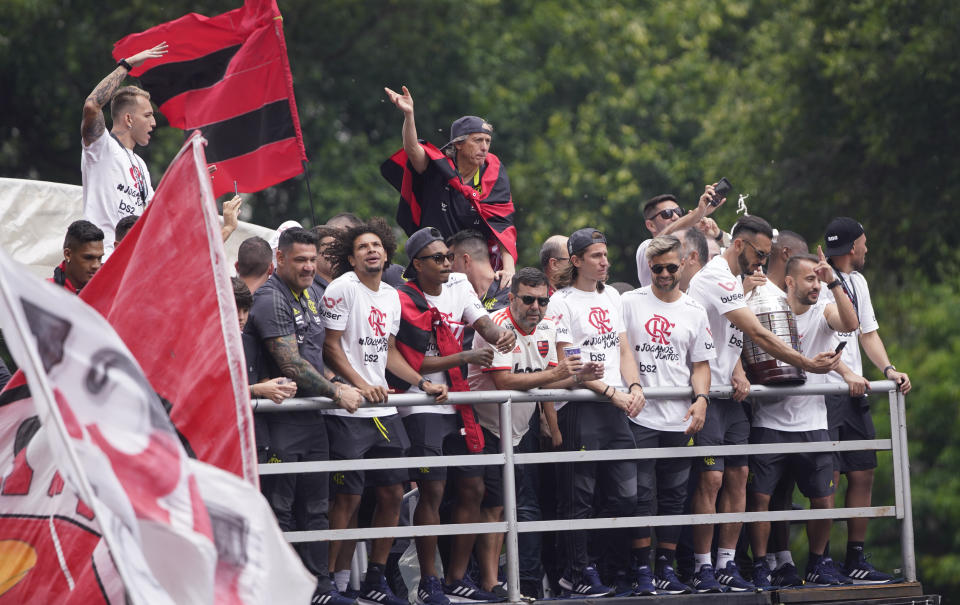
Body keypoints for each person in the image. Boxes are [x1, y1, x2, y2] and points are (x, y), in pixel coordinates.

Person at [685, 215, 841, 593]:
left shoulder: (738, 282)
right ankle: (701, 567)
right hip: (706, 394)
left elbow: (727, 334)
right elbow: (754, 329)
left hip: (732, 394)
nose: (762, 262)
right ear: (738, 244)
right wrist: (803, 362)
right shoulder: (716, 276)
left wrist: (738, 368)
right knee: (712, 479)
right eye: (759, 253)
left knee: (738, 477)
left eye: (767, 254)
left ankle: (726, 563)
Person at [321, 218, 449, 605]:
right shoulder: (342, 288)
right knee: (348, 498)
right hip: (348, 411)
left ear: (387, 251)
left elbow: (389, 353)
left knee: (393, 492)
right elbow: (330, 347)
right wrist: (358, 385)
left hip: (382, 409)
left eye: (376, 245)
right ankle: (327, 583)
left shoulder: (392, 296)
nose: (371, 250)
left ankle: (375, 577)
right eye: (362, 247)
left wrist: (421, 383)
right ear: (351, 257)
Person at [390, 226, 516, 605]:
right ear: (417, 264)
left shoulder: (460, 285)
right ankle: (430, 580)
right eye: (438, 258)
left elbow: (483, 324)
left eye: (448, 256)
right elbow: (408, 361)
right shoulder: (402, 299)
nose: (447, 263)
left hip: (458, 402)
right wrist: (463, 357)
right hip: (421, 403)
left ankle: (459, 578)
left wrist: (501, 335)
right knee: (433, 490)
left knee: (474, 488)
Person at [244, 227, 363, 605]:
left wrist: (335, 380)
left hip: (312, 421)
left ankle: (320, 588)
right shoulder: (268, 298)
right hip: (278, 423)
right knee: (280, 510)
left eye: (313, 259)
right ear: (279, 259)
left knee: (317, 508)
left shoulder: (314, 294)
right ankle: (281, 593)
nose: (309, 267)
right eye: (300, 260)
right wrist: (337, 390)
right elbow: (291, 364)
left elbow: (315, 356)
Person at [466, 267, 601, 598]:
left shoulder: (550, 327)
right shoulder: (496, 327)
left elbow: (558, 375)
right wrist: (559, 375)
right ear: (511, 298)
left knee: (519, 507)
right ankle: (488, 582)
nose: (536, 307)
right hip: (483, 428)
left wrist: (583, 374)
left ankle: (520, 581)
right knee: (492, 506)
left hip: (519, 430)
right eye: (528, 300)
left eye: (542, 301)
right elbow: (506, 382)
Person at [745, 252, 860, 589]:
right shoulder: (769, 309)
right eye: (809, 278)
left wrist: (833, 281)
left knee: (823, 498)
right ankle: (762, 565)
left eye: (818, 278)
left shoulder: (824, 309)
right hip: (769, 420)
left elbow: (851, 325)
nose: (815, 284)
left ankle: (818, 561)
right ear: (790, 282)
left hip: (813, 421)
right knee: (763, 499)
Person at [546, 227, 644, 597]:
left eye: (605, 255)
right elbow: (567, 359)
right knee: (578, 496)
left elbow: (623, 350)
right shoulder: (561, 301)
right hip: (580, 407)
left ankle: (600, 564)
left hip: (616, 406)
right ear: (576, 261)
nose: (605, 262)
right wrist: (609, 392)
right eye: (596, 256)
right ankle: (575, 573)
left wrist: (633, 387)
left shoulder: (613, 296)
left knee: (625, 496)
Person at [620, 235, 715, 595]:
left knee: (675, 495)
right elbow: (622, 350)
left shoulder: (693, 309)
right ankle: (641, 569)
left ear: (684, 264)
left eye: (670, 267)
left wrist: (702, 398)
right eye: (655, 268)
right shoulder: (629, 301)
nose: (662, 274)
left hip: (679, 418)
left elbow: (701, 364)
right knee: (640, 495)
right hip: (639, 415)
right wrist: (632, 386)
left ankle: (666, 567)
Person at [822, 217, 911, 583]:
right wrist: (845, 373)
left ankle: (855, 558)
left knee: (863, 470)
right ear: (851, 247)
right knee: (828, 477)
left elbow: (867, 333)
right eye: (863, 242)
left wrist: (888, 369)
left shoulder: (857, 281)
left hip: (856, 390)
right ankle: (820, 561)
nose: (867, 249)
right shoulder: (818, 279)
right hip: (824, 392)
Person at [383, 86, 517, 287]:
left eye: (488, 141)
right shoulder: (437, 167)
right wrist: (409, 115)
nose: (484, 147)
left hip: (473, 266)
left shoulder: (493, 174)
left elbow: (503, 224)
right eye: (478, 140)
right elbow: (412, 149)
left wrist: (509, 268)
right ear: (459, 144)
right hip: (433, 262)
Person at [81, 42, 168, 255]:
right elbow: (92, 106)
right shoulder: (102, 147)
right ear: (128, 118)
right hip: (101, 262)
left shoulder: (141, 165)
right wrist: (126, 65)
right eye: (147, 116)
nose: (154, 123)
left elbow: (156, 214)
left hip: (131, 266)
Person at [634, 188, 726, 287]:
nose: (676, 217)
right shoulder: (646, 247)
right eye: (667, 213)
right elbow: (665, 237)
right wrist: (699, 212)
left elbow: (735, 249)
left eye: (678, 211)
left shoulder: (693, 246)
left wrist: (718, 234)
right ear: (651, 225)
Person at [52, 220, 104, 293]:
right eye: (88, 258)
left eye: (99, 258)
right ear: (68, 254)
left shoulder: (110, 293)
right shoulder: (46, 292)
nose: (96, 265)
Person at [312, 225, 341, 291]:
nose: (336, 254)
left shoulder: (346, 285)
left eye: (340, 249)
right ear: (313, 253)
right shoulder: (307, 289)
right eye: (331, 250)